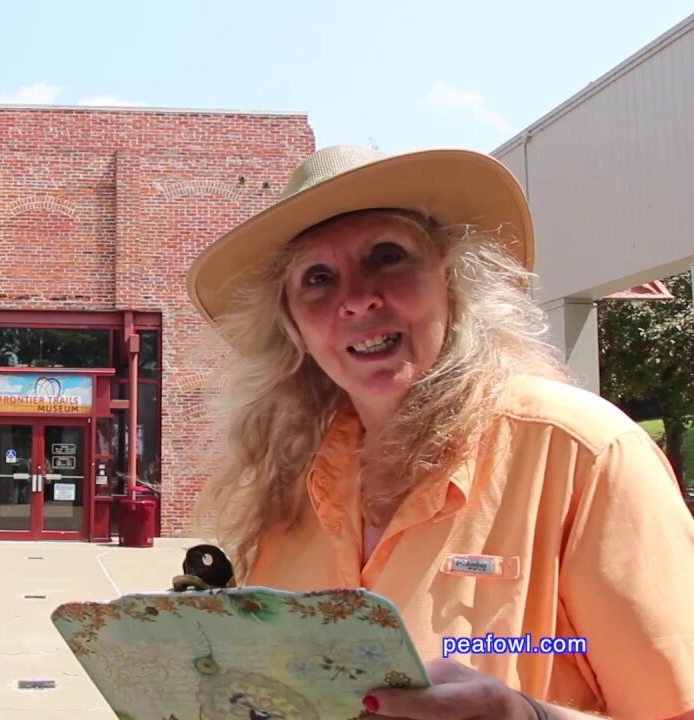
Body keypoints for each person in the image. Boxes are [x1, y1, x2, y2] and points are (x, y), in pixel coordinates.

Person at [188, 145, 694, 720]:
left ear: (454, 281)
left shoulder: (584, 453)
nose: (356, 299)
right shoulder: (285, 484)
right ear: (293, 327)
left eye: (388, 256)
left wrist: (524, 715)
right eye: (319, 278)